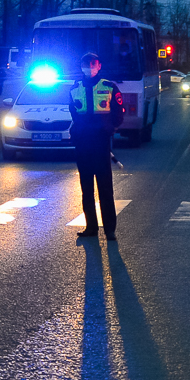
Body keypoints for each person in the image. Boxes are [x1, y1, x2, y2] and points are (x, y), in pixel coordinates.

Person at [68, 51, 125, 241]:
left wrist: (110, 128)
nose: (89, 68)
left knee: (105, 188)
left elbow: (119, 112)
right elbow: (73, 112)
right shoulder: (75, 88)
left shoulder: (109, 87)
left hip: (101, 144)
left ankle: (110, 230)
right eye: (86, 65)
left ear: (99, 66)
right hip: (83, 143)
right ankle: (91, 227)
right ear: (81, 67)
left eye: (93, 65)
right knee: (86, 188)